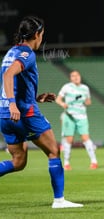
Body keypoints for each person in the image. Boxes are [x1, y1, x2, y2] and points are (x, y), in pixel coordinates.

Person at [0, 16, 83, 208]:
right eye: (42, 35)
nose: (41, 39)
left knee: (18, 162)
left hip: (4, 115)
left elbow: (14, 81)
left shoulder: (11, 52)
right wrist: (14, 104)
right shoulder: (26, 54)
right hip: (23, 114)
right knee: (54, 151)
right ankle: (59, 200)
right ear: (36, 34)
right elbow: (8, 75)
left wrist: (36, 97)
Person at [55, 70, 98, 170]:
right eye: (73, 76)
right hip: (69, 115)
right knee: (69, 140)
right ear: (70, 78)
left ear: (80, 76)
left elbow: (88, 101)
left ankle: (94, 161)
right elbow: (58, 99)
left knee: (85, 138)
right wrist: (63, 104)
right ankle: (66, 163)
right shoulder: (67, 87)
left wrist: (87, 102)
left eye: (77, 75)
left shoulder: (85, 88)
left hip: (82, 116)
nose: (75, 77)